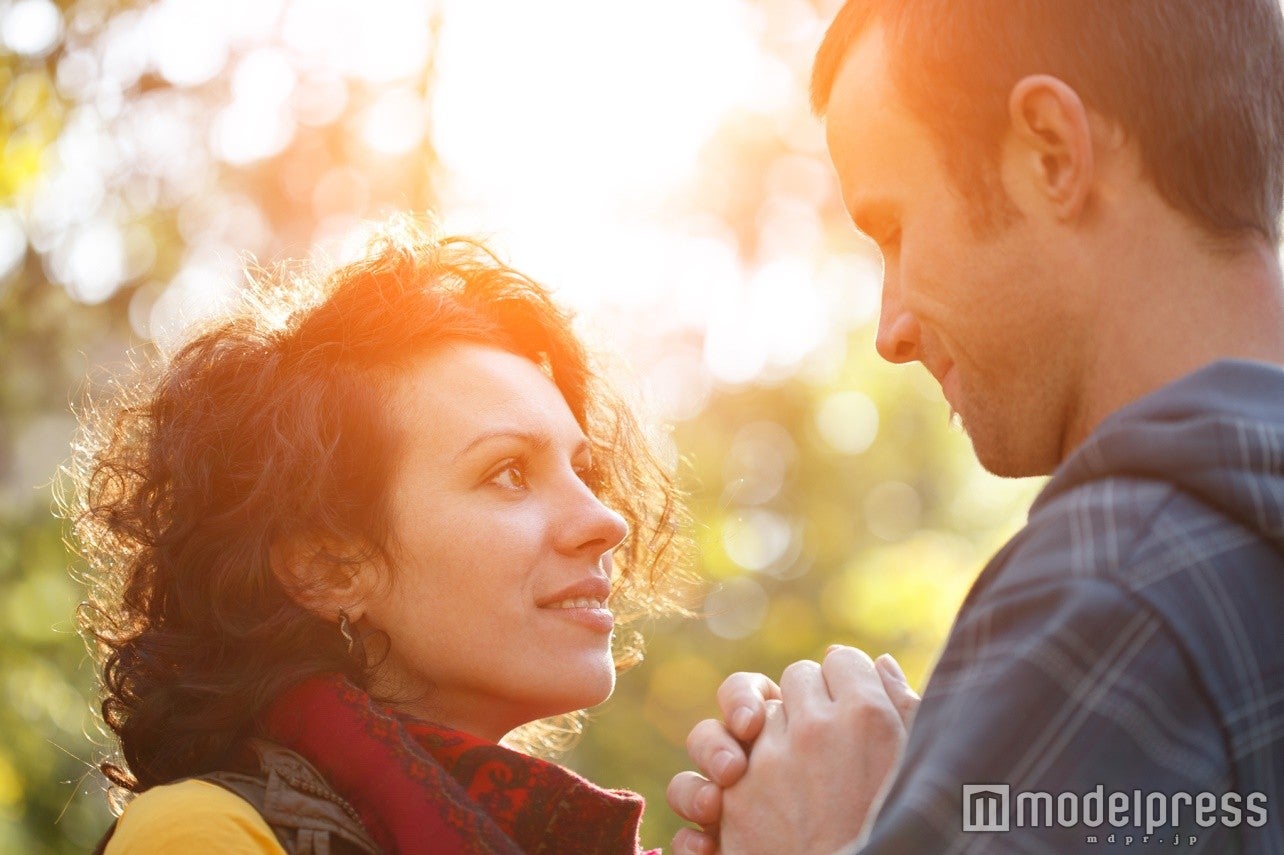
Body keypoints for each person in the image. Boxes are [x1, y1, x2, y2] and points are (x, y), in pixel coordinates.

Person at [667, 0, 1284, 852]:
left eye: (893, 228)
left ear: (1051, 152)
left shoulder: (1112, 591)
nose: (892, 329)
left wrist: (827, 838)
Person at [66, 216, 693, 854]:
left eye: (583, 471)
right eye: (508, 472)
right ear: (328, 566)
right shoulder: (198, 834)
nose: (604, 521)